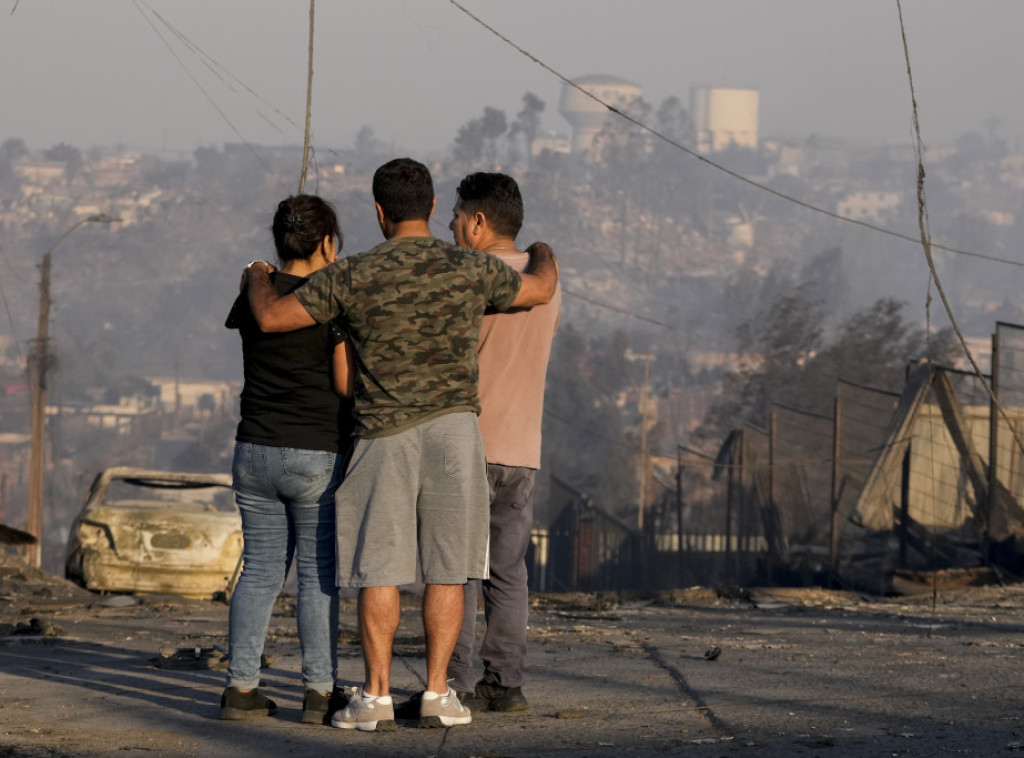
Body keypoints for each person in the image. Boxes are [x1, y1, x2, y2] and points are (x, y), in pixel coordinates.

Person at [242, 157, 559, 732]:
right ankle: (439, 693)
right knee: (448, 567)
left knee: (377, 568)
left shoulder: (354, 274)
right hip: (456, 433)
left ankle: (377, 696)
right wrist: (540, 247)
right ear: (435, 209)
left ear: (381, 212)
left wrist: (257, 271)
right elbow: (539, 288)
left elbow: (271, 319)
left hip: (382, 433)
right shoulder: (469, 268)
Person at [219, 194, 354, 726]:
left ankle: (241, 688)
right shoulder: (331, 300)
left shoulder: (258, 292)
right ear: (326, 242)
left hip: (253, 449)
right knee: (317, 575)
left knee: (259, 573)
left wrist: (258, 270)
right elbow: (344, 383)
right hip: (314, 453)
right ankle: (319, 692)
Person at [445, 173, 561, 713]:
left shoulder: (468, 277)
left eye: (456, 214)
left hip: (469, 444)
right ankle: (506, 681)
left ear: (479, 222)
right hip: (523, 450)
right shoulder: (548, 283)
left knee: (457, 568)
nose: (449, 224)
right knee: (509, 571)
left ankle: (453, 681)